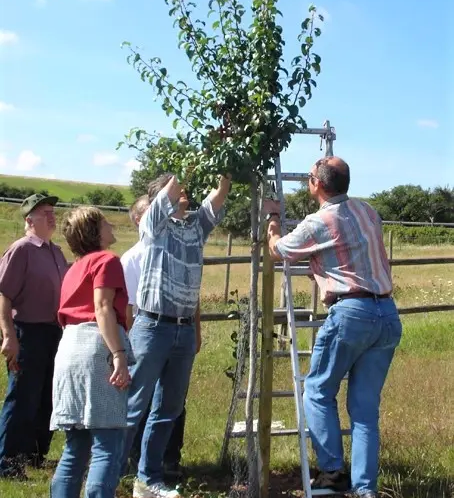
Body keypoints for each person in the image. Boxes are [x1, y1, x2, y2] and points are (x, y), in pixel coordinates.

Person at [264, 157, 402, 498]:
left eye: (310, 176)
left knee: (318, 391)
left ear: (317, 184)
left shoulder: (318, 223)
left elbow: (278, 250)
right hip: (386, 312)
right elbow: (351, 253)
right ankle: (365, 490)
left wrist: (272, 220)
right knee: (365, 410)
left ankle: (331, 474)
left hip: (352, 313)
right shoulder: (368, 212)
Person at [122, 172, 230, 498]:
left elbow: (220, 194)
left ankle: (148, 480)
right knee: (133, 405)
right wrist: (185, 165)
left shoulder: (196, 226)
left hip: (182, 329)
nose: (185, 191)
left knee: (167, 409)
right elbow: (172, 185)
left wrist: (223, 164)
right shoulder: (154, 225)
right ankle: (106, 476)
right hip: (152, 327)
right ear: (162, 200)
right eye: (178, 189)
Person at [50, 206, 134, 498]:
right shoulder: (107, 260)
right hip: (96, 348)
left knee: (76, 445)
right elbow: (102, 308)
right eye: (105, 222)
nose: (111, 226)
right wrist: (119, 354)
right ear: (94, 231)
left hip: (68, 348)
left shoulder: (74, 269)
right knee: (107, 443)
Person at [121, 195, 195, 477]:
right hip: (148, 331)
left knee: (172, 403)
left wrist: (194, 331)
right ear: (143, 219)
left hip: (177, 331)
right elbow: (128, 309)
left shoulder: (172, 251)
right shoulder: (131, 259)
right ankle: (125, 464)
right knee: (138, 402)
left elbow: (191, 297)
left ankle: (164, 463)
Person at [0, 193, 68, 479]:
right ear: (29, 220)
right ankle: (8, 464)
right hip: (26, 332)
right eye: (44, 213)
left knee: (47, 397)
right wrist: (8, 336)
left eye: (53, 211)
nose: (52, 217)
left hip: (54, 332)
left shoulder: (55, 251)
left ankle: (35, 456)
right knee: (22, 398)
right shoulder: (22, 249)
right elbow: (4, 295)